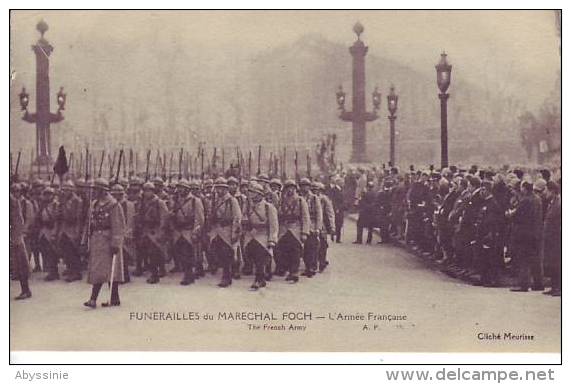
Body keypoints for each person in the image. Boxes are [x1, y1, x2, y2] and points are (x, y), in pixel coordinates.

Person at [83, 178, 126, 308]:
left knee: (110, 270)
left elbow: (118, 225)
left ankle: (93, 299)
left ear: (102, 190)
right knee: (102, 270)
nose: (93, 192)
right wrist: (84, 240)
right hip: (96, 240)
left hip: (108, 241)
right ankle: (114, 298)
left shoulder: (113, 205)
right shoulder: (94, 204)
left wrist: (116, 243)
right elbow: (88, 223)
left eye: (96, 189)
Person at [509, 179, 544, 292]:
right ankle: (538, 283)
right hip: (535, 233)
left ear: (524, 188)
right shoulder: (537, 199)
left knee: (523, 259)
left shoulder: (525, 201)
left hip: (524, 233)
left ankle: (523, 284)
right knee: (535, 259)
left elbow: (517, 216)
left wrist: (510, 214)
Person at [242, 182, 278, 290]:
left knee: (260, 257)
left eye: (253, 192)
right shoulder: (248, 206)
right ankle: (261, 277)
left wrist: (272, 240)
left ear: (259, 194)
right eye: (250, 192)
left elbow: (274, 225)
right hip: (250, 235)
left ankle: (259, 279)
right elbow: (243, 219)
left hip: (263, 235)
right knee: (251, 255)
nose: (250, 195)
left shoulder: (269, 207)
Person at [209, 177, 242, 287]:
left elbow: (237, 218)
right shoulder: (215, 200)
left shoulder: (232, 200)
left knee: (227, 254)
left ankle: (227, 277)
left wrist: (235, 234)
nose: (219, 191)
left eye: (221, 188)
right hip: (217, 231)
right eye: (217, 188)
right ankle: (226, 274)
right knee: (218, 253)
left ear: (226, 189)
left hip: (227, 230)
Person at [170, 179, 205, 285]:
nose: (180, 190)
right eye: (179, 187)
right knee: (181, 253)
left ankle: (188, 275)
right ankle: (187, 273)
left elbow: (199, 218)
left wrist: (196, 232)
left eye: (182, 188)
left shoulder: (195, 201)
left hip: (189, 231)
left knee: (188, 254)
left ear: (187, 189)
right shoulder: (176, 200)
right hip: (178, 231)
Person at [276, 179, 310, 283]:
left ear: (295, 189)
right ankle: (286, 269)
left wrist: (305, 232)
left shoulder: (300, 200)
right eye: (287, 187)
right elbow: (277, 215)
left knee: (295, 252)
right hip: (284, 229)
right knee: (283, 251)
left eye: (292, 187)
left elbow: (305, 217)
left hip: (296, 228)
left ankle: (294, 273)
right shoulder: (281, 201)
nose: (290, 190)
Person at [474, 180, 504, 287]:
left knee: (491, 258)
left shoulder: (493, 203)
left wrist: (490, 234)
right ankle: (484, 278)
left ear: (488, 190)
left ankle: (493, 280)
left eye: (483, 189)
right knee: (483, 257)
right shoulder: (485, 202)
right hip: (482, 234)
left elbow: (493, 221)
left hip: (489, 235)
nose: (481, 192)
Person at [138, 182, 168, 284]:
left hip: (156, 230)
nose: (146, 193)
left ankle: (155, 274)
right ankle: (154, 272)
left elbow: (164, 218)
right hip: (146, 230)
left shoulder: (159, 202)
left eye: (149, 191)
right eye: (145, 191)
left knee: (155, 253)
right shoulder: (143, 202)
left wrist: (161, 232)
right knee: (148, 253)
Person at [110, 183, 136, 283]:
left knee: (124, 256)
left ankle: (125, 276)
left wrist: (128, 233)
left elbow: (131, 219)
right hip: (116, 232)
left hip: (126, 232)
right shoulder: (112, 205)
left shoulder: (129, 205)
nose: (115, 196)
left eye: (117, 194)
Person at [58, 181, 83, 282]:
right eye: (64, 190)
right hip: (64, 229)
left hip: (73, 230)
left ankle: (76, 272)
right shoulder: (65, 200)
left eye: (67, 190)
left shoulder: (77, 201)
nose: (65, 192)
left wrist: (63, 203)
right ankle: (70, 269)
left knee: (73, 252)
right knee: (66, 251)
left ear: (72, 190)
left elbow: (72, 217)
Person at [299, 178, 322, 277]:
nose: (304, 187)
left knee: (312, 247)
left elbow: (319, 214)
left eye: (306, 185)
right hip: (301, 224)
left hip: (312, 224)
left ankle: (312, 267)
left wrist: (318, 227)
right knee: (303, 249)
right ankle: (307, 266)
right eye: (302, 185)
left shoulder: (314, 198)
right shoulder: (299, 197)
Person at [10, 192, 32, 300]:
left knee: (20, 262)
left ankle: (25, 290)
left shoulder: (13, 201)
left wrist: (17, 237)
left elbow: (18, 220)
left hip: (14, 235)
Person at [37, 187, 60, 281]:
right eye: (46, 194)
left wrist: (55, 232)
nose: (47, 196)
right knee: (45, 252)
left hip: (51, 230)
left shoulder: (55, 205)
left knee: (52, 252)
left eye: (49, 194)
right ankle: (50, 271)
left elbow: (57, 219)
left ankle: (54, 272)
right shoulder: (43, 205)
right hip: (44, 230)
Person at [542, 181, 561, 296]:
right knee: (552, 262)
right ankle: (554, 286)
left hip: (556, 238)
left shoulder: (559, 204)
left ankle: (558, 287)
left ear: (552, 191)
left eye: (547, 190)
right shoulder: (552, 202)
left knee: (557, 262)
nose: (545, 193)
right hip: (550, 238)